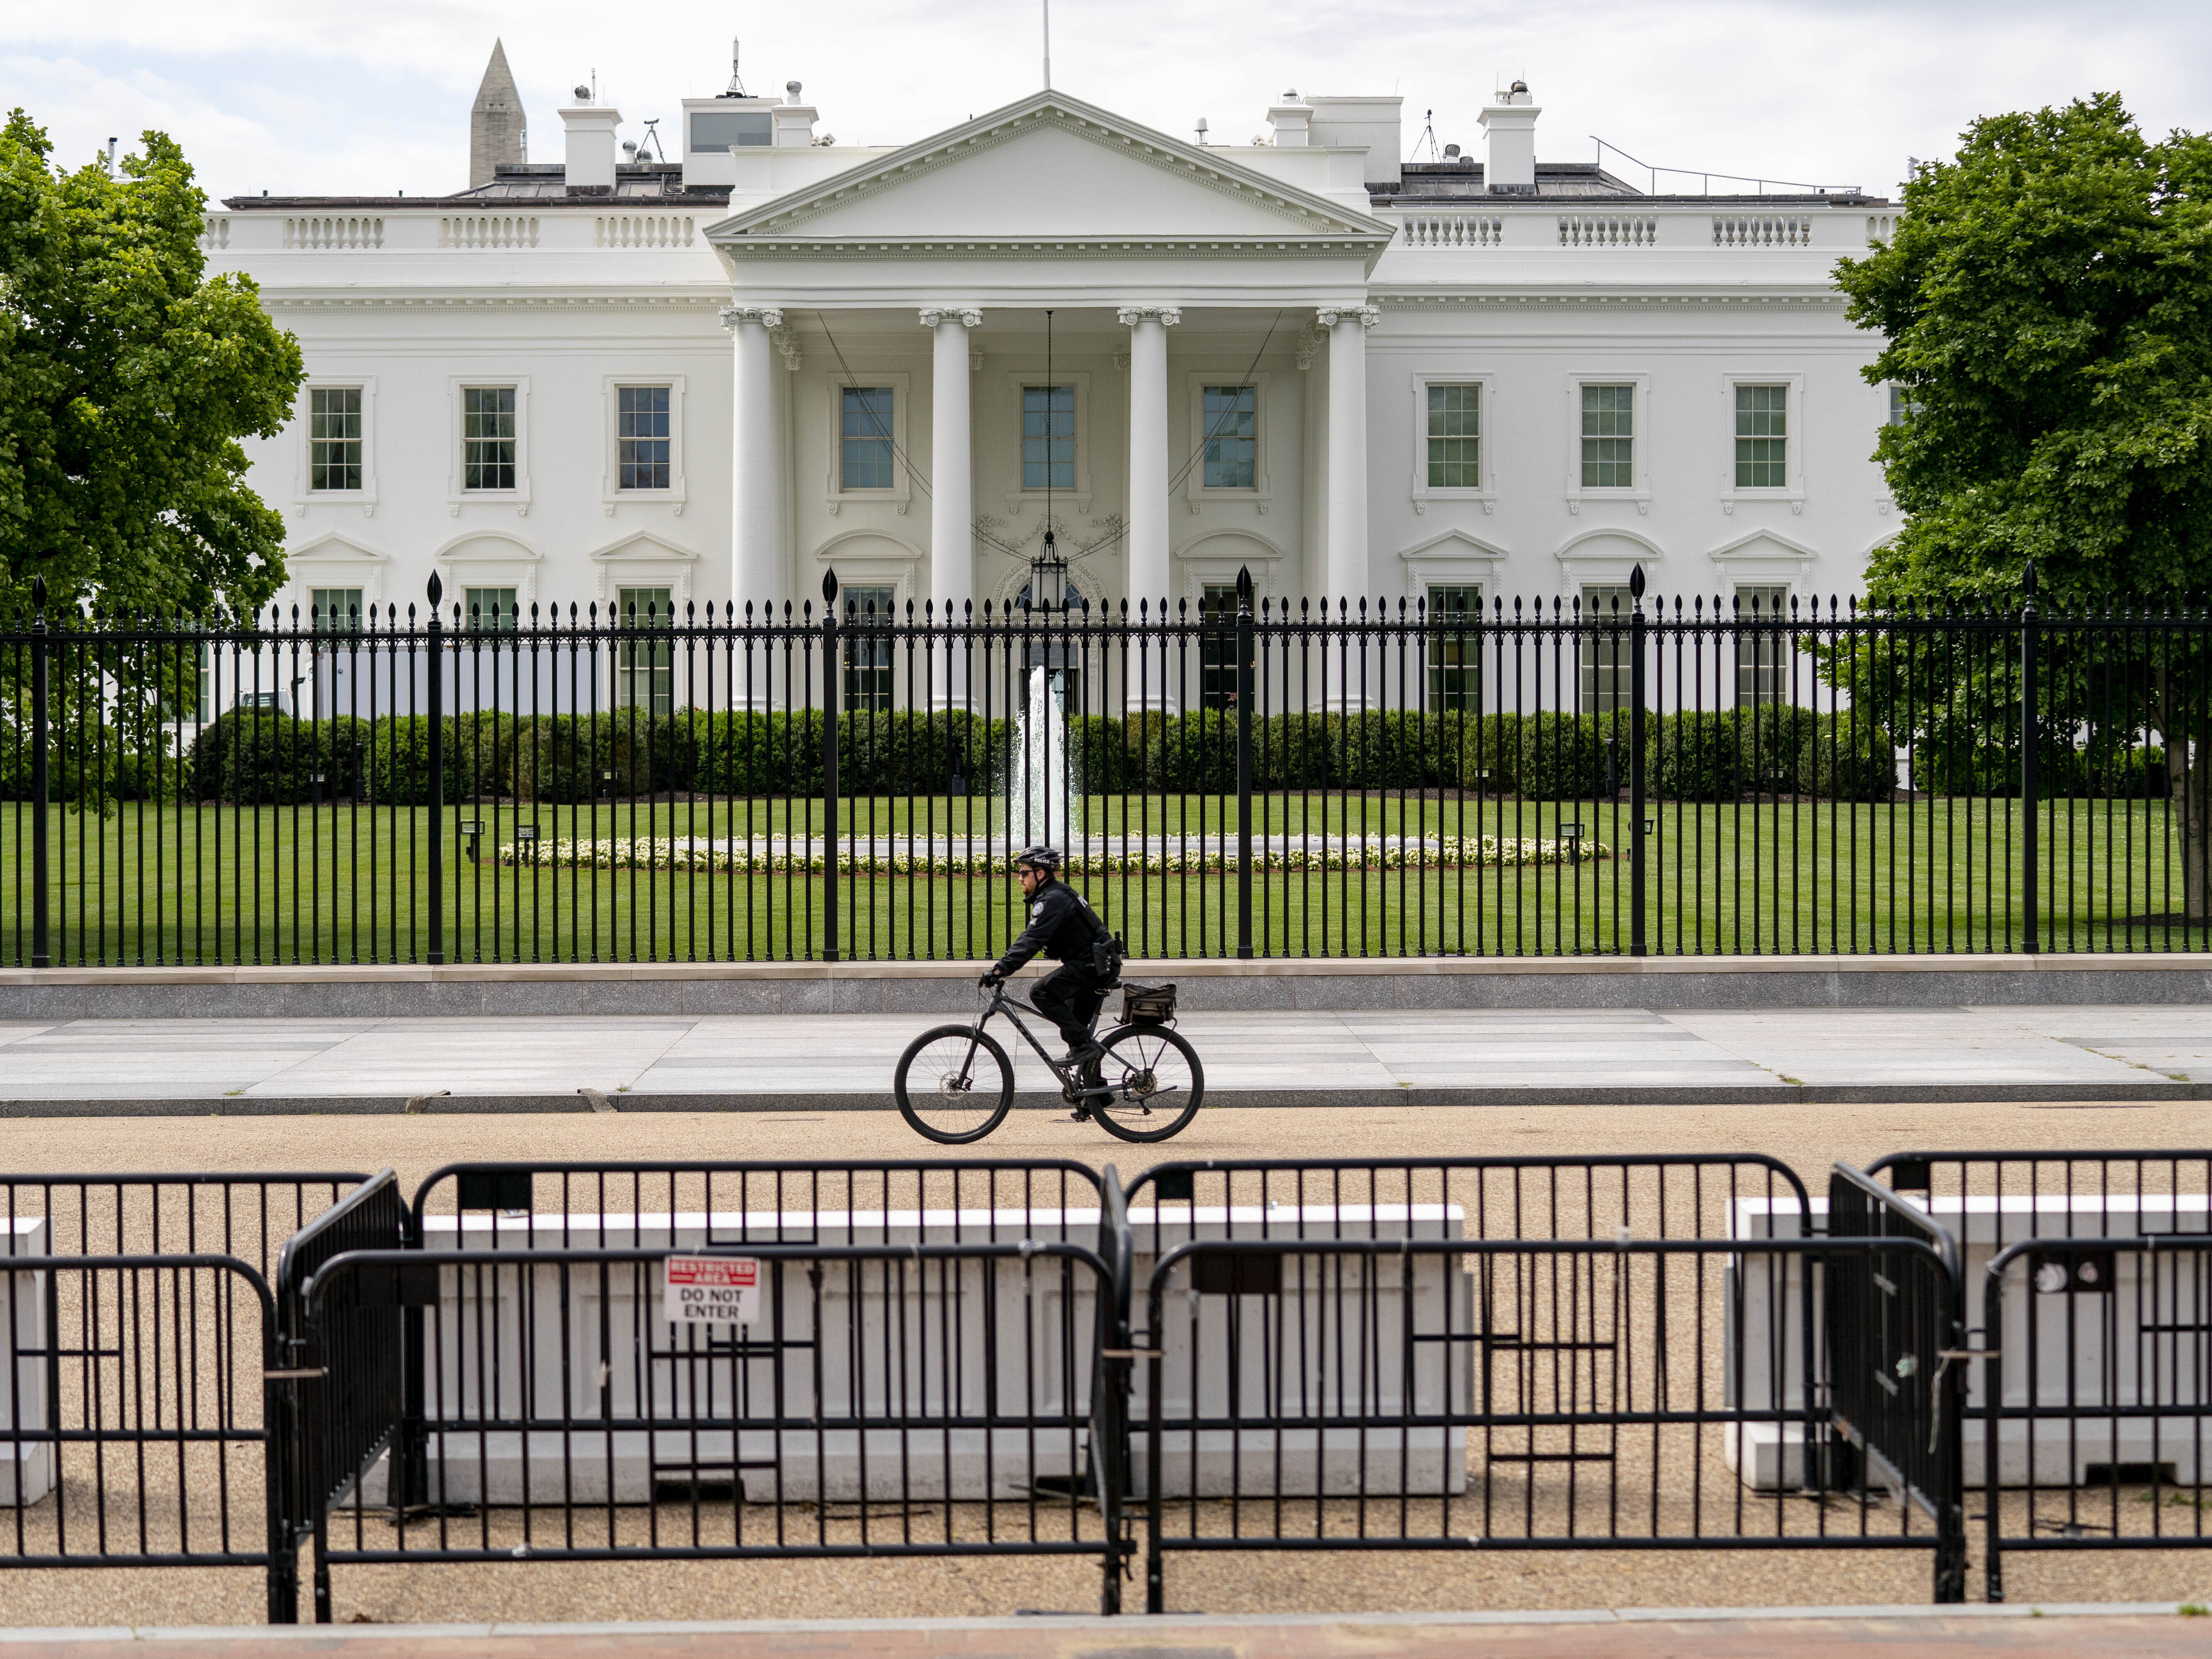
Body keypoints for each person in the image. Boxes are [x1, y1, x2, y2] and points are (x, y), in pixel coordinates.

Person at [981, 845, 1123, 1084]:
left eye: (1024, 873)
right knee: (1074, 1030)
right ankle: (1097, 1095)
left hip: (1093, 966)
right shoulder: (1055, 896)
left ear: (1041, 874)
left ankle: (1086, 1049)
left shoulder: (1054, 899)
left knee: (1042, 993)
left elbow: (1032, 939)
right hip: (1096, 965)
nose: (1019, 878)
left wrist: (1000, 969)